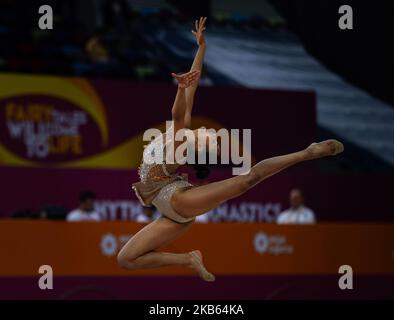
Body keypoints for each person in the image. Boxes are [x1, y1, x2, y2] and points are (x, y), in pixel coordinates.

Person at [117, 17, 344, 281]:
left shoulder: (180, 140)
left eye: (209, 138)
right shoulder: (177, 132)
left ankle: (308, 152)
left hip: (178, 203)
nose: (208, 133)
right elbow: (193, 85)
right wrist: (201, 47)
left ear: (196, 146)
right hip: (167, 209)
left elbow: (179, 107)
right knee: (126, 259)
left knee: (247, 180)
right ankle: (188, 259)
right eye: (210, 134)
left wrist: (180, 89)